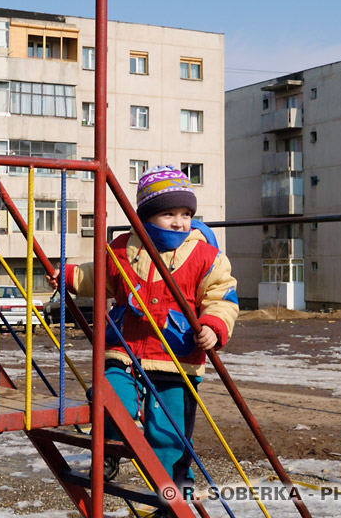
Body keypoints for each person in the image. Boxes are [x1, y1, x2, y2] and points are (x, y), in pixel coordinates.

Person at [51, 165, 238, 493]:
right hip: (123, 349)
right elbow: (96, 276)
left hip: (176, 357)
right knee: (108, 397)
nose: (179, 221)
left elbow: (222, 297)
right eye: (169, 213)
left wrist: (214, 325)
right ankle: (107, 451)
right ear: (147, 214)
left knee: (167, 432)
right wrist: (68, 276)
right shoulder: (123, 249)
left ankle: (172, 492)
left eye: (185, 213)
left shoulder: (206, 256)